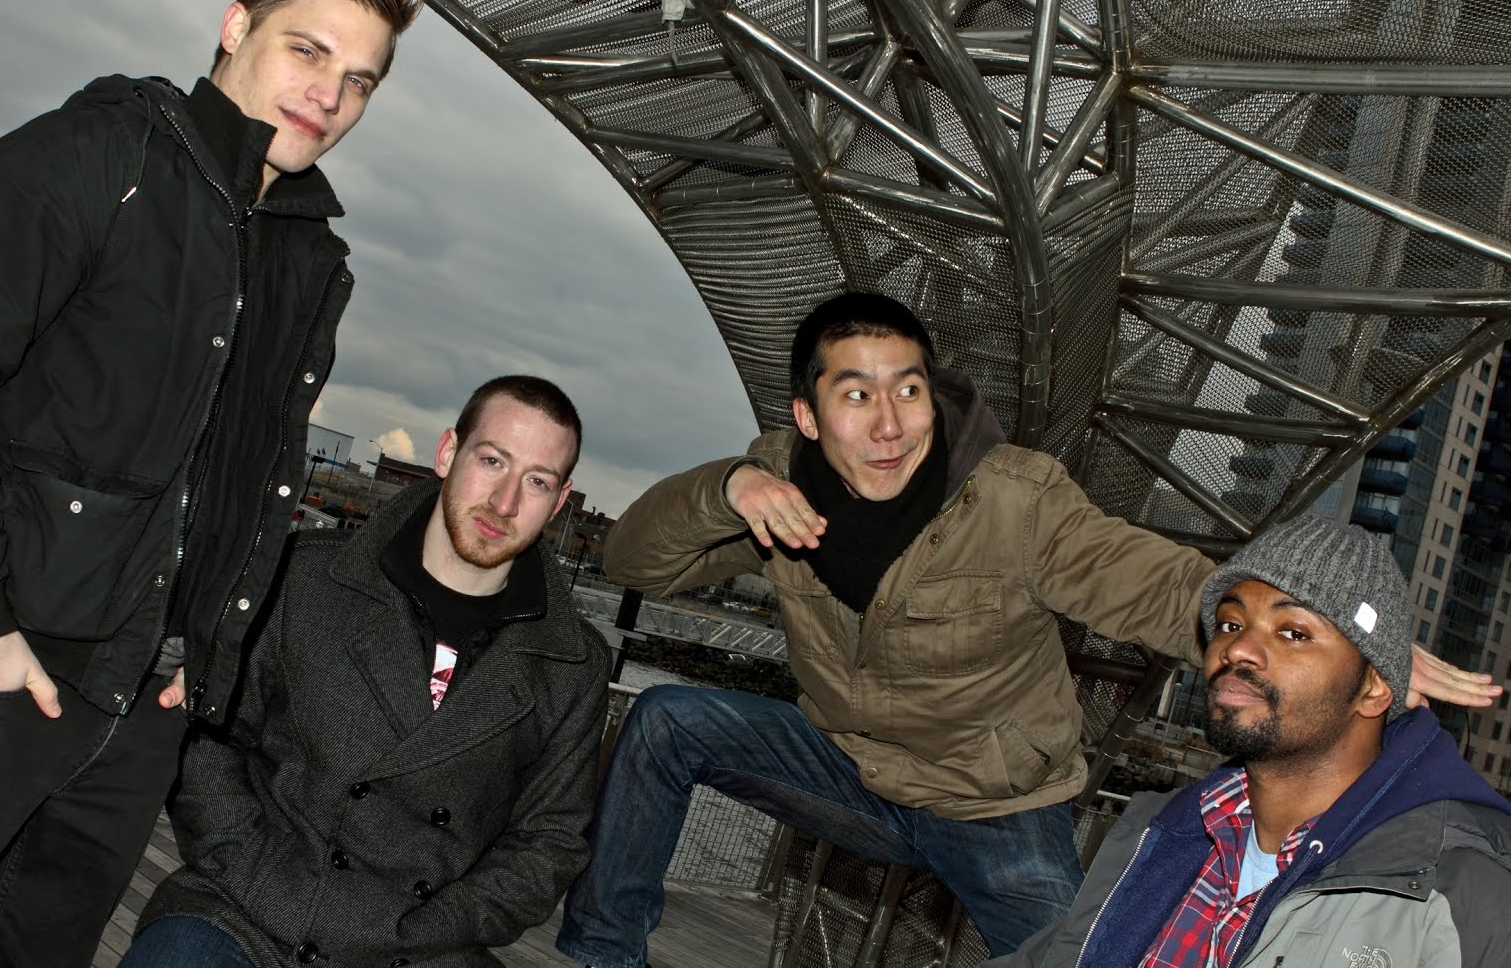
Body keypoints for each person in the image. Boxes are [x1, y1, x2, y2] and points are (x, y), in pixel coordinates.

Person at [554, 291, 1501, 966]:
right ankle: (601, 952)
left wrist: (1323, 632)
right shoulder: (775, 491)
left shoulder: (1013, 498)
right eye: (855, 395)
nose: (889, 425)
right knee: (666, 721)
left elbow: (1142, 579)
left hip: (997, 806)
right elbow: (635, 560)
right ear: (807, 414)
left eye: (908, 390)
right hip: (851, 768)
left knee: (1091, 950)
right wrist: (726, 487)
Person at [0, 0, 427, 965]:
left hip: (145, 697)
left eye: (360, 79)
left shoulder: (307, 253)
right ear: (236, 27)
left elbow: (242, 475)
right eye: (308, 51)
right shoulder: (98, 156)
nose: (330, 95)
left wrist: (205, 657)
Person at [122, 375, 611, 967]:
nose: (505, 503)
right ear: (448, 453)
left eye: (537, 481)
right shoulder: (303, 578)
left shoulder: (572, 666)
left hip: (419, 947)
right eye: (492, 461)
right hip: (245, 910)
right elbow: (210, 737)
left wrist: (433, 927)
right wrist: (256, 873)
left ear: (559, 502)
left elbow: (547, 843)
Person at [990, 515, 1511, 967]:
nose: (1237, 648)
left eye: (1293, 633)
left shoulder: (1463, 887)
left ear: (1373, 688)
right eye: (1229, 623)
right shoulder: (1167, 835)